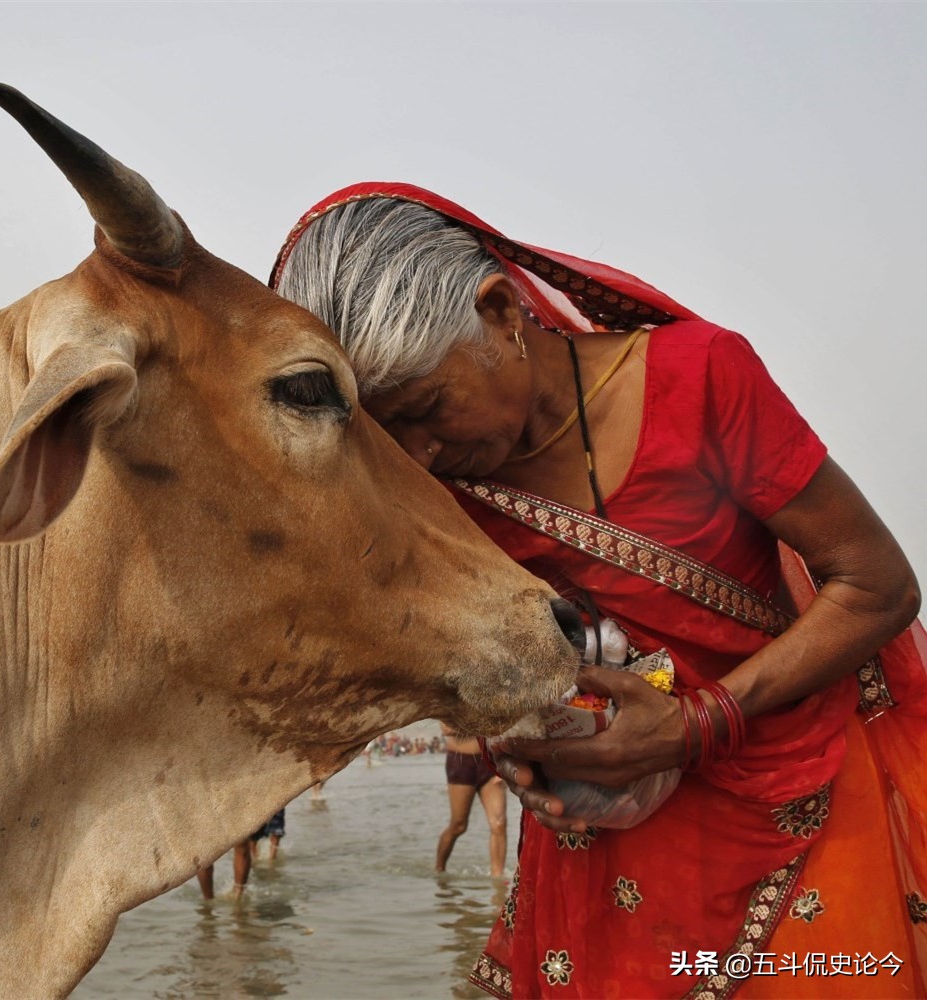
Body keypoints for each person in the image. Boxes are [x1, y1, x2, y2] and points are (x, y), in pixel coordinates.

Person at [270, 182, 927, 998]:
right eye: (389, 437)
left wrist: (691, 726)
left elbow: (878, 586)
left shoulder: (701, 378)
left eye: (428, 409)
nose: (422, 456)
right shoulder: (443, 493)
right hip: (613, 825)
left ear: (503, 312)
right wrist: (531, 759)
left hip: (802, 775)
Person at [437, 721, 508, 877]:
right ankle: (439, 870)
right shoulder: (455, 696)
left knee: (499, 823)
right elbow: (448, 729)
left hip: (490, 762)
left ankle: (498, 881)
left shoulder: (494, 697)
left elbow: (506, 724)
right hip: (461, 762)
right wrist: (485, 722)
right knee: (458, 825)